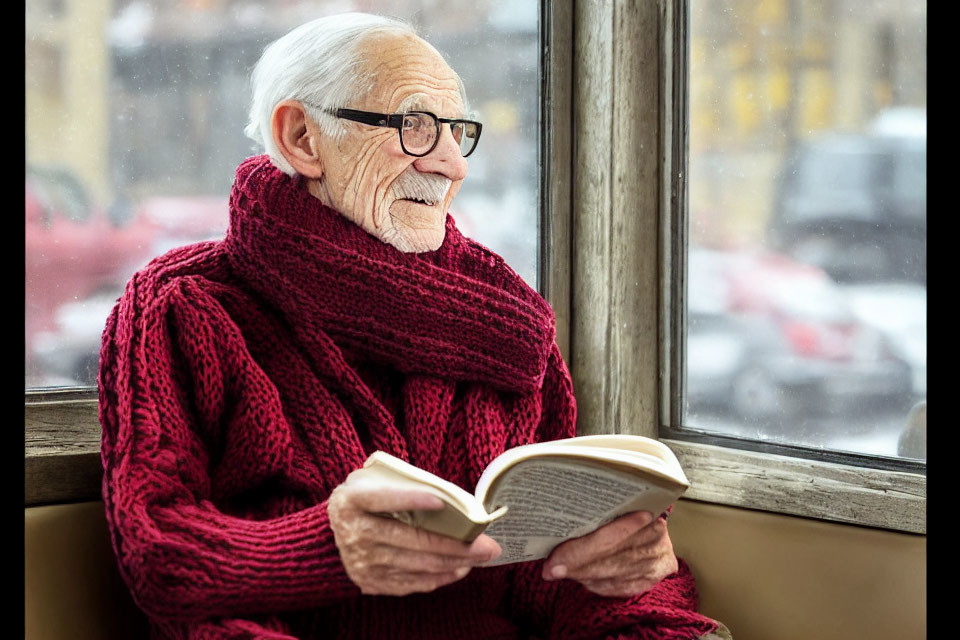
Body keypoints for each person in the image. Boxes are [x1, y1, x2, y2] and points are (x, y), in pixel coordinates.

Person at [98, 12, 725, 639]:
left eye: (457, 131)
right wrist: (326, 549)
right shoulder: (185, 306)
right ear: (302, 139)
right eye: (415, 126)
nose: (454, 165)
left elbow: (547, 582)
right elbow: (160, 555)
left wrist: (631, 570)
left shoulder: (505, 321)